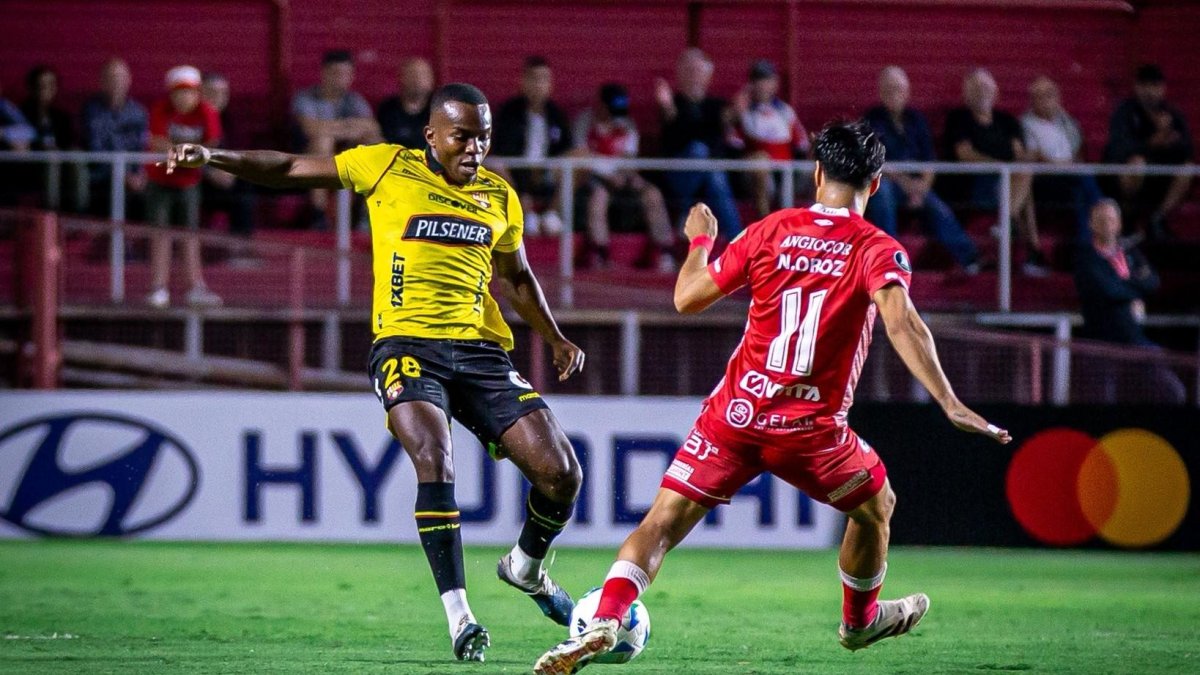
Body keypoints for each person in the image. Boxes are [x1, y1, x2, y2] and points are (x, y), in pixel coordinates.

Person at [533, 121, 1011, 674]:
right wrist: (949, 402)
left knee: (659, 525)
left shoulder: (772, 230)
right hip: (811, 432)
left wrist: (700, 241)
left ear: (816, 174)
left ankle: (608, 618)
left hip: (735, 417)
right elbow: (902, 320)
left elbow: (687, 297)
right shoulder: (876, 248)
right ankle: (859, 622)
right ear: (876, 185)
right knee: (876, 507)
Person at [164, 83, 587, 663]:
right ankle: (460, 615)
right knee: (434, 456)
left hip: (480, 352)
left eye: (484, 137)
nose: (475, 149)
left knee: (562, 474)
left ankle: (525, 567)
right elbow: (289, 166)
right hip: (404, 345)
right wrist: (214, 156)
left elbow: (516, 276)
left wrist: (554, 336)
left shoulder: (500, 196)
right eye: (463, 136)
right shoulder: (387, 166)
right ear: (432, 134)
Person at [863, 66, 981, 274]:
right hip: (886, 182)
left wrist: (921, 189)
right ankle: (889, 259)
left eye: (898, 89)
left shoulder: (917, 120)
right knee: (883, 193)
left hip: (915, 185)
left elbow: (929, 161)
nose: (894, 94)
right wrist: (907, 185)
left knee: (937, 207)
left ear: (907, 92)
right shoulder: (871, 119)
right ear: (880, 92)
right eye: (889, 89)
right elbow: (873, 161)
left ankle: (970, 258)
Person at [1074, 199, 1185, 403]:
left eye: (1111, 219)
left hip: (1134, 340)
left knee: (1173, 392)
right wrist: (1134, 290)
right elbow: (1108, 290)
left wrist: (1125, 284)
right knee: (1101, 403)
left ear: (1119, 224)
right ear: (1091, 224)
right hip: (1101, 344)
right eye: (1101, 220)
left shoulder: (1130, 253)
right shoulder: (1087, 259)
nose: (1107, 224)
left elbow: (1152, 282)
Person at [945, 68, 1048, 276]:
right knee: (1023, 187)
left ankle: (1006, 223)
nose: (982, 92)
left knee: (1023, 177)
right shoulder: (959, 118)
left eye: (986, 87)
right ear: (966, 93)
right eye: (976, 88)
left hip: (1008, 182)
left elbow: (1019, 154)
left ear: (995, 92)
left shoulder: (1007, 121)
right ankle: (1031, 249)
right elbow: (965, 154)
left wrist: (1034, 156)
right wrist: (1001, 167)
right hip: (975, 184)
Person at [571, 82, 676, 271]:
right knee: (599, 197)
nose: (615, 117)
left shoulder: (627, 124)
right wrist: (608, 175)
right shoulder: (584, 123)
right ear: (601, 105)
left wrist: (628, 177)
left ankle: (664, 251)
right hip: (592, 179)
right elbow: (581, 157)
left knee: (652, 194)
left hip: (623, 180)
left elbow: (629, 158)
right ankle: (599, 251)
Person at [144, 66, 223, 309]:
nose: (183, 97)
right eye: (178, 92)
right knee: (161, 234)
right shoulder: (160, 110)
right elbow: (158, 144)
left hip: (189, 182)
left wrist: (180, 154)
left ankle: (195, 286)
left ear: (198, 93)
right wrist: (190, 154)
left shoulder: (207, 112)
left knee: (190, 234)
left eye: (189, 92)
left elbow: (211, 144)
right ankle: (158, 288)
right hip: (160, 180)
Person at [655, 48, 743, 240]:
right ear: (679, 74)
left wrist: (733, 116)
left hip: (710, 180)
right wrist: (667, 109)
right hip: (678, 178)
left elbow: (723, 134)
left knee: (714, 174)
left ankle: (687, 213)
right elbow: (671, 128)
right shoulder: (673, 104)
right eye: (689, 71)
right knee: (699, 152)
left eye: (698, 72)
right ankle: (739, 243)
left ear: (708, 76)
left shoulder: (718, 106)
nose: (694, 77)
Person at [291, 49, 381, 228]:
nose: (342, 78)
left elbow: (372, 127)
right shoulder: (305, 98)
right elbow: (311, 129)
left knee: (373, 143)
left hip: (345, 160)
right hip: (305, 161)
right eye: (336, 73)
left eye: (346, 73)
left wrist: (330, 128)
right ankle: (319, 214)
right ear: (324, 73)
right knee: (322, 142)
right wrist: (348, 127)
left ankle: (368, 214)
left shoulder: (354, 100)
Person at [1103, 64, 1194, 240]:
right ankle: (1127, 218)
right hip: (1126, 180)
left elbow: (1188, 149)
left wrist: (1172, 142)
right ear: (1137, 87)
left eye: (1156, 86)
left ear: (1163, 88)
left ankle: (1157, 218)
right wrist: (1152, 143)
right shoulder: (1124, 113)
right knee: (1137, 164)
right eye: (1146, 86)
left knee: (1188, 168)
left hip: (1160, 179)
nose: (1151, 92)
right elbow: (1118, 149)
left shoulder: (1172, 115)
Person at [492, 56, 572, 236]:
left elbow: (567, 149)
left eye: (544, 79)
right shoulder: (508, 112)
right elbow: (500, 149)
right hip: (517, 172)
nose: (539, 84)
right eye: (534, 78)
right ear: (523, 82)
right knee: (493, 164)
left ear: (550, 84)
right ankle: (524, 213)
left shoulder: (556, 114)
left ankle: (552, 213)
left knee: (582, 156)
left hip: (548, 172)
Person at [1021, 76, 1104, 243]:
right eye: (1040, 95)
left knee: (1082, 190)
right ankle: (1104, 226)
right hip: (1044, 179)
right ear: (1032, 100)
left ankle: (1089, 246)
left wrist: (1071, 166)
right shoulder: (1026, 124)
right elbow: (1035, 156)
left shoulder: (1068, 123)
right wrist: (1064, 166)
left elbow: (1079, 152)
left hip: (1071, 175)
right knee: (1085, 181)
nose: (1046, 100)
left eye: (1050, 94)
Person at [732, 59, 810, 217]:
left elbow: (802, 145)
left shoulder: (785, 112)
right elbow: (734, 147)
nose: (762, 85)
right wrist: (736, 115)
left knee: (823, 164)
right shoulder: (742, 112)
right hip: (753, 177)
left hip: (786, 173)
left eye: (767, 80)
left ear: (775, 83)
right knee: (760, 161)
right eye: (758, 80)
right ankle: (765, 220)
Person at [80, 58, 149, 217]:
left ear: (129, 80)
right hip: (101, 176)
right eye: (112, 78)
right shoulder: (91, 111)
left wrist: (141, 174)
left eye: (121, 78)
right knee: (118, 188)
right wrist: (122, 174)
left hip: (134, 177)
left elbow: (142, 147)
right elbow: (95, 150)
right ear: (102, 81)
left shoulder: (139, 112)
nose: (117, 83)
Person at [199, 72, 256, 239]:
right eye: (212, 92)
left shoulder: (232, 121)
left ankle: (241, 245)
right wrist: (209, 173)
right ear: (200, 94)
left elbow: (242, 154)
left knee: (245, 184)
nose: (219, 97)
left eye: (224, 93)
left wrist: (231, 171)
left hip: (226, 180)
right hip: (197, 180)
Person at [377, 57, 435, 149]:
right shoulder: (387, 109)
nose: (417, 80)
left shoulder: (440, 110)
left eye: (423, 75)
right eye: (412, 74)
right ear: (401, 77)